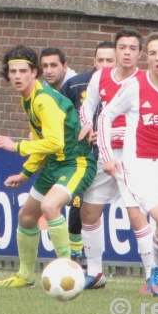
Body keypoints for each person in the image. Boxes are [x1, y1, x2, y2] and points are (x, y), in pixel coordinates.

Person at [97, 31, 158, 298]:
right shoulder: (135, 86)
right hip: (138, 164)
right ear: (148, 59)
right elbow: (106, 116)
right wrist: (107, 155)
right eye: (152, 53)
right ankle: (156, 273)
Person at [0, 45, 96, 288]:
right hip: (55, 165)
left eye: (22, 71)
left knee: (49, 206)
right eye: (12, 71)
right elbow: (41, 141)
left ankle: (70, 272)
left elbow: (54, 142)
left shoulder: (43, 100)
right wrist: (25, 173)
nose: (17, 76)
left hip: (75, 163)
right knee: (26, 217)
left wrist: (16, 147)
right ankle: (25, 276)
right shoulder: (28, 99)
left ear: (33, 73)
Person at [78, 28, 153, 290]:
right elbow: (88, 107)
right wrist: (87, 126)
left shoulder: (146, 80)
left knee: (136, 216)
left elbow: (148, 119)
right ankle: (96, 273)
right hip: (105, 153)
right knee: (89, 211)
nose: (127, 52)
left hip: (133, 155)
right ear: (116, 49)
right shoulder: (100, 77)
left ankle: (151, 277)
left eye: (133, 48)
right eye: (122, 47)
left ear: (139, 54)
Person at [59, 41, 116, 266]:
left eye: (109, 60)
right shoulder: (75, 85)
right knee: (79, 206)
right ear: (93, 61)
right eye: (99, 60)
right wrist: (79, 136)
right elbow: (60, 119)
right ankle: (77, 257)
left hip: (121, 157)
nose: (103, 65)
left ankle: (153, 269)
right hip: (84, 157)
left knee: (137, 212)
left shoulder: (131, 86)